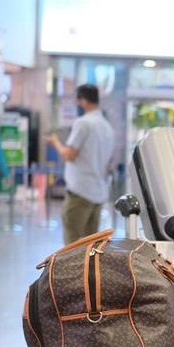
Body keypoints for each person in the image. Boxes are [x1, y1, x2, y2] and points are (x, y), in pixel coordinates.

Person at [46, 84, 114, 244]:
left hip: (80, 191)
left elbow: (69, 154)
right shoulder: (107, 127)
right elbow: (106, 163)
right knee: (92, 245)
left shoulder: (83, 123)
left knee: (72, 242)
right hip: (98, 191)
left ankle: (74, 270)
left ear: (83, 100)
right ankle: (90, 270)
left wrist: (55, 142)